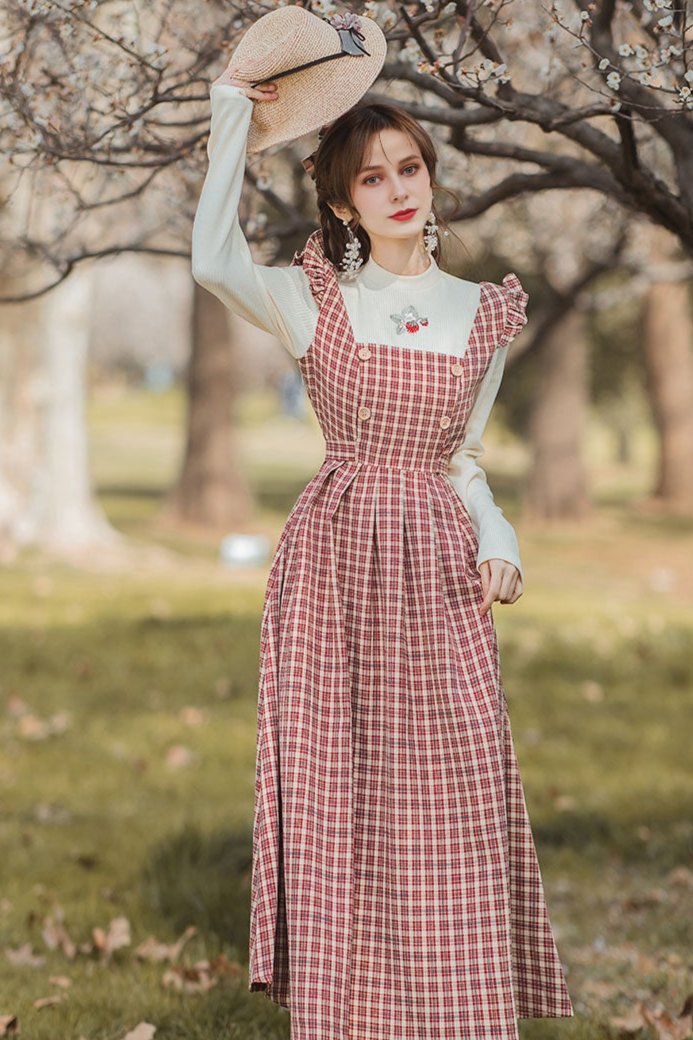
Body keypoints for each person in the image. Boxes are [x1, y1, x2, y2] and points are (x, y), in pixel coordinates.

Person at [191, 8, 574, 1039]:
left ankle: (455, 1009)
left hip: (440, 573)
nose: (400, 189)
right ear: (339, 198)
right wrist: (235, 111)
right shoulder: (314, 299)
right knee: (337, 801)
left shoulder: (482, 312)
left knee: (449, 792)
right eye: (373, 176)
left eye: (411, 168)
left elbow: (466, 459)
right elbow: (212, 260)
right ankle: (347, 1014)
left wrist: (502, 539)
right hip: (332, 566)